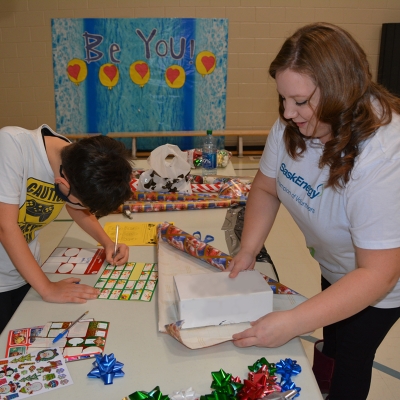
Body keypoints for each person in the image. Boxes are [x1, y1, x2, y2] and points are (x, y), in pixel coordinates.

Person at [227, 23, 400, 400]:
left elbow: (378, 275)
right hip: (338, 265)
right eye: (283, 99)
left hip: (379, 284)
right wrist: (248, 250)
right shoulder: (295, 124)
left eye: (301, 101)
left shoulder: (383, 157)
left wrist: (291, 322)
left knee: (351, 357)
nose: (288, 113)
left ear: (340, 90)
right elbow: (266, 186)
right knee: (332, 342)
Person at [0, 125, 133, 334]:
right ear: (62, 182)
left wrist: (107, 242)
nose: (85, 209)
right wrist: (47, 288)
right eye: (84, 204)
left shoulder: (76, 161)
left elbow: (76, 207)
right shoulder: (11, 144)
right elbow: (6, 227)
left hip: (26, 270)